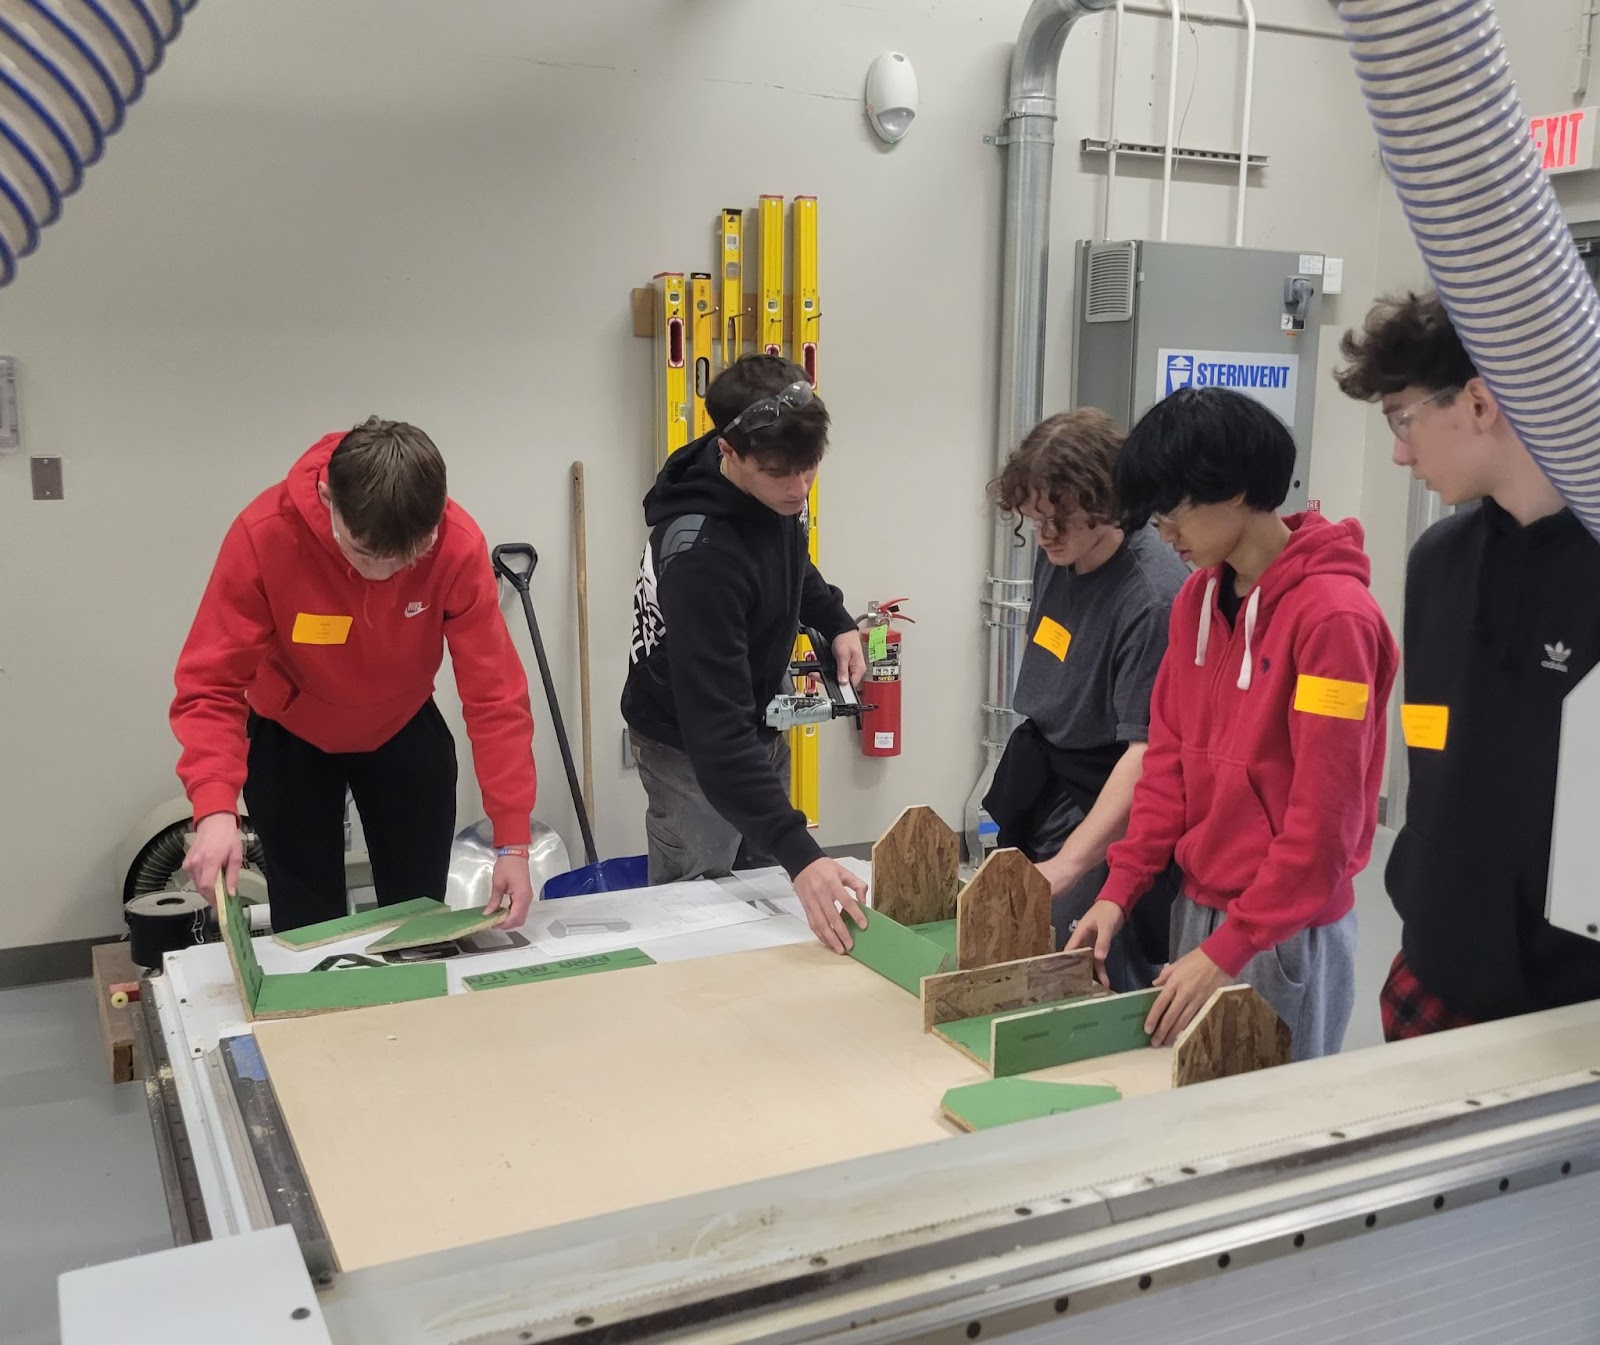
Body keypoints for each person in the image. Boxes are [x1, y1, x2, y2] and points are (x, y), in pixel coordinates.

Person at [1068, 387, 1397, 1060]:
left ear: (1236, 490)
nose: (1163, 535)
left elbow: (1324, 825)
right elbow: (1167, 765)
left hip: (1286, 927)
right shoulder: (1196, 600)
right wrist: (1118, 890)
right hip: (1198, 908)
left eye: (1173, 512)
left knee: (1275, 1116)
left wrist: (1232, 947)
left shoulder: (1334, 619)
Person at [1336, 290, 1600, 1038]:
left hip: (1570, 997)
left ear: (1481, 403)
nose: (1399, 451)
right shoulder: (1438, 560)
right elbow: (1434, 748)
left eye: (1404, 418)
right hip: (1434, 961)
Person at [171, 417, 538, 932]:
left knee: (418, 916)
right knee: (307, 925)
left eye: (409, 558)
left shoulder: (456, 544)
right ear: (328, 500)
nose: (384, 576)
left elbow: (495, 694)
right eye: (365, 555)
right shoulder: (265, 534)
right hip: (292, 731)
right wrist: (215, 808)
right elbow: (211, 684)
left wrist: (513, 841)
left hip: (403, 722)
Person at [622, 354, 869, 954]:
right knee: (698, 912)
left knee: (767, 899)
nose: (798, 488)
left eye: (809, 470)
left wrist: (834, 619)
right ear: (729, 451)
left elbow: (788, 563)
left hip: (753, 721)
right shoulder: (699, 554)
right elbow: (716, 738)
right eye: (780, 474)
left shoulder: (772, 489)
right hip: (688, 747)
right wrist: (803, 853)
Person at [983, 408, 1188, 990]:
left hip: (1106, 791)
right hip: (1047, 772)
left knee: (1080, 966)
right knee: (1018, 947)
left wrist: (1070, 863)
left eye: (1061, 521)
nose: (1045, 536)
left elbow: (1145, 754)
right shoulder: (1060, 552)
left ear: (1108, 504)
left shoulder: (1152, 598)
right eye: (1035, 520)